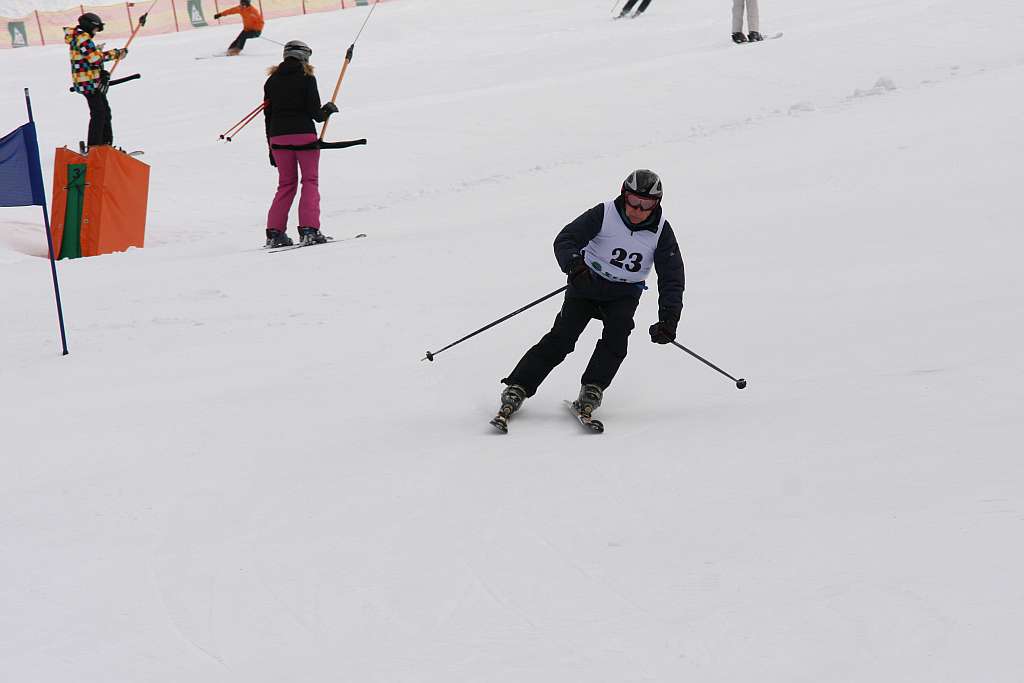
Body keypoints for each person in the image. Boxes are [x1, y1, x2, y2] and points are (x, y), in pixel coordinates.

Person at [497, 170, 685, 423]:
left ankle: (593, 388)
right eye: (633, 200)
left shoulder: (661, 231)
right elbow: (566, 239)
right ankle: (518, 386)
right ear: (623, 194)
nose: (638, 209)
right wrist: (574, 265)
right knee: (562, 338)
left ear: (657, 203)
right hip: (587, 284)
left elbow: (672, 277)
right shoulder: (605, 213)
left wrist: (669, 319)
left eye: (647, 204)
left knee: (617, 340)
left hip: (624, 293)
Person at [262, 40, 338, 248]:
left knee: (285, 185)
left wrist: (270, 148)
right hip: (303, 135)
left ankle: (274, 233)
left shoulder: (271, 81)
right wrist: (328, 110)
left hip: (277, 138)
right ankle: (309, 230)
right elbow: (316, 115)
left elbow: (268, 116)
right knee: (310, 181)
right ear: (304, 57)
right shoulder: (307, 78)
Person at [64, 13, 127, 148]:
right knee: (99, 113)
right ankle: (95, 146)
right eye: (95, 29)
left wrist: (99, 57)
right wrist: (116, 54)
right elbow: (94, 58)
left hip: (89, 81)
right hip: (88, 83)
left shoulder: (79, 36)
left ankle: (105, 144)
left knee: (104, 112)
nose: (96, 32)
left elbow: (87, 59)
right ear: (89, 26)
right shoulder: (82, 38)